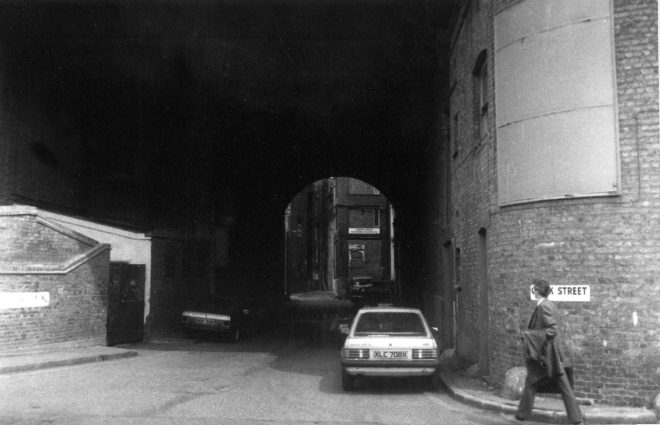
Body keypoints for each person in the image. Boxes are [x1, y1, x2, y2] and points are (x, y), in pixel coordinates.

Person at [515, 279, 583, 425]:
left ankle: (576, 418)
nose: (533, 290)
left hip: (547, 353)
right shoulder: (548, 304)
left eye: (534, 288)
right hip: (549, 352)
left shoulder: (543, 306)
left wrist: (529, 335)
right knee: (533, 380)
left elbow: (552, 329)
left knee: (549, 382)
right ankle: (522, 414)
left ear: (537, 290)